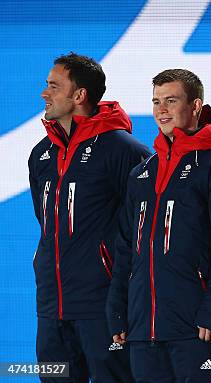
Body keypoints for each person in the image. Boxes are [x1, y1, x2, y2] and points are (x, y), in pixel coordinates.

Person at [106, 69, 211, 382]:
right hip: (143, 329)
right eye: (156, 101)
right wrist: (117, 310)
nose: (162, 110)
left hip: (195, 329)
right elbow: (126, 248)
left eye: (171, 100)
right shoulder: (142, 173)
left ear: (196, 106)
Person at [29, 52, 150, 382]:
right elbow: (46, 223)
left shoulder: (125, 151)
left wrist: (125, 302)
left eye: (54, 86)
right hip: (52, 310)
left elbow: (144, 231)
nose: (45, 93)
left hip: (103, 310)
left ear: (79, 95)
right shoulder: (41, 154)